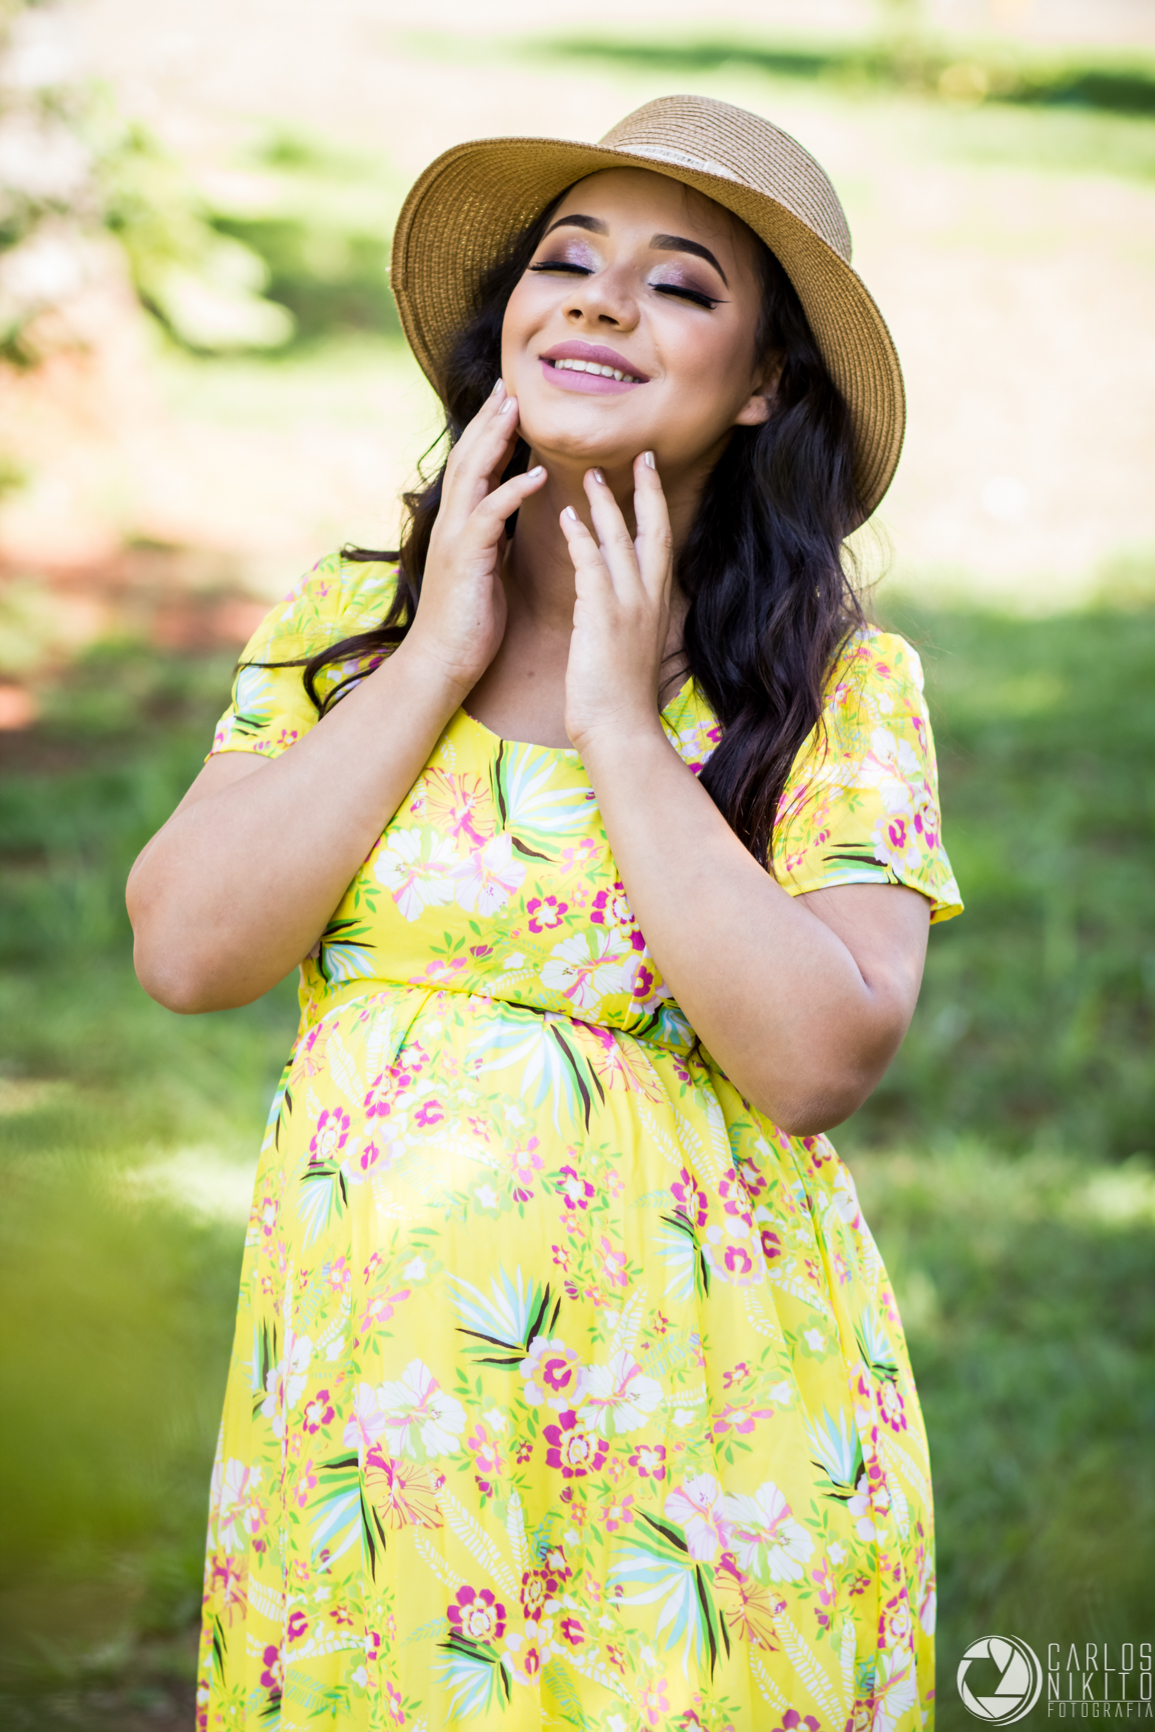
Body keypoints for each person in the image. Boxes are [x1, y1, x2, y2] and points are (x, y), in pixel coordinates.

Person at [128, 94, 960, 1732]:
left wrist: (621, 729)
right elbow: (186, 949)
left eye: (680, 283)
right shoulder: (353, 625)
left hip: (700, 1448)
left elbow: (816, 1058)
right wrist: (436, 656)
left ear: (767, 380)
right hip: (372, 1441)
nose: (597, 299)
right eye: (566, 261)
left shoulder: (835, 689)